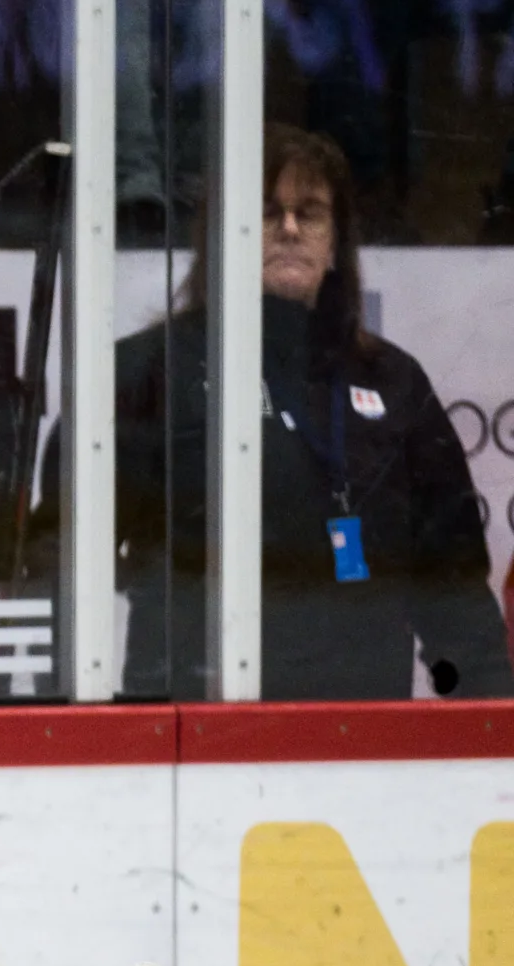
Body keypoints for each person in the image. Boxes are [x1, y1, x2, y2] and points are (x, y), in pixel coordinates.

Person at [103, 124, 513, 698]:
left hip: (360, 731)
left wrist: (491, 726)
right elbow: (60, 564)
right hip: (194, 731)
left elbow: (455, 591)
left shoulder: (394, 381)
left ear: (335, 242)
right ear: (222, 236)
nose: (291, 228)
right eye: (268, 212)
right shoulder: (149, 371)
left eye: (311, 212)